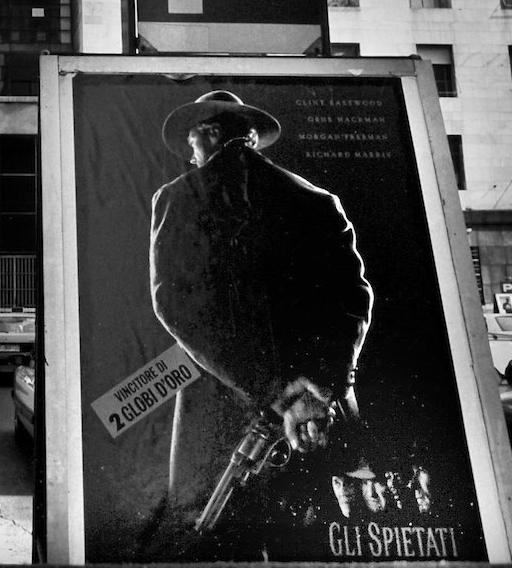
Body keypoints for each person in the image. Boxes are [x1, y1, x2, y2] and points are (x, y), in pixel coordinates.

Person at [145, 90, 374, 560]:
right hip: (319, 411)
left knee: (211, 539)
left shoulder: (176, 198)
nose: (191, 155)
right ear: (250, 137)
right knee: (318, 536)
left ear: (210, 133)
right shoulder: (317, 200)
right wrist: (321, 387)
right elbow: (353, 299)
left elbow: (177, 306)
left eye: (193, 142)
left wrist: (272, 390)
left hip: (220, 407)